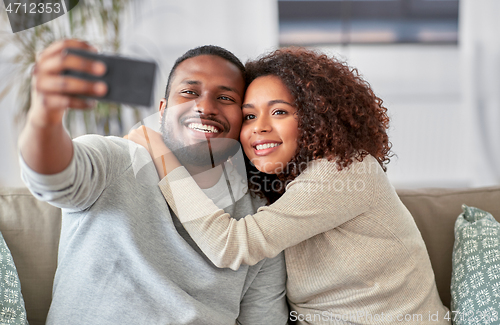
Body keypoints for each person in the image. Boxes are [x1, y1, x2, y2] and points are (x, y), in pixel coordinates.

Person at [131, 47, 451, 324]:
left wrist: (158, 149)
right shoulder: (276, 184)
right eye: (249, 117)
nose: (260, 128)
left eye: (279, 112)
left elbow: (232, 246)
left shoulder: (345, 171)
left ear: (315, 116)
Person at [18, 39, 288, 324]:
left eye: (226, 98)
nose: (205, 107)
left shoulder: (258, 217)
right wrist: (44, 117)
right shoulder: (116, 160)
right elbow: (51, 177)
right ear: (163, 110)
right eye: (189, 92)